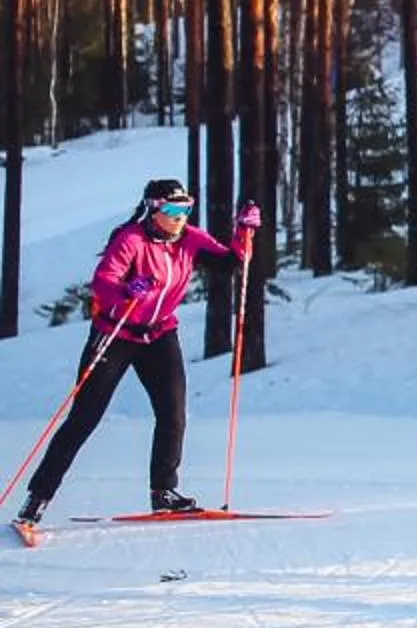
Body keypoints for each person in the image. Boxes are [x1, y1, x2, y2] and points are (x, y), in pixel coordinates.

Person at [14, 179, 260, 540]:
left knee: (173, 413)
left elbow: (230, 264)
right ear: (154, 209)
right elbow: (103, 283)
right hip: (116, 334)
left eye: (186, 209)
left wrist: (244, 231)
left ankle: (163, 492)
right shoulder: (130, 239)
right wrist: (126, 291)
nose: (180, 218)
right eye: (173, 211)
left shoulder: (189, 239)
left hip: (159, 335)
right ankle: (36, 500)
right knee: (84, 418)